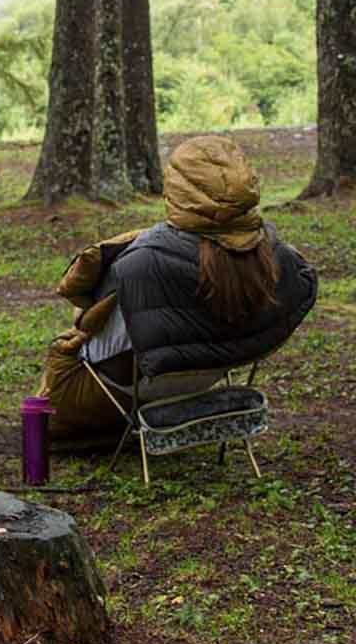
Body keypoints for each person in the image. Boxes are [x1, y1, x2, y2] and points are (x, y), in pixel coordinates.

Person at [39, 134, 318, 441]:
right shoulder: (276, 252)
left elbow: (88, 319)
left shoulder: (140, 262)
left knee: (78, 332)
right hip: (214, 371)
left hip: (132, 384)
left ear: (177, 190)